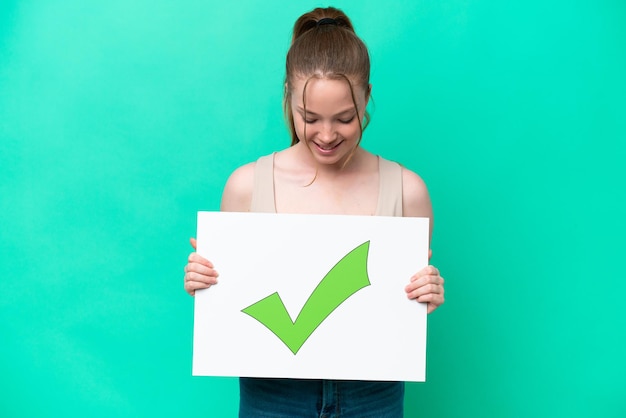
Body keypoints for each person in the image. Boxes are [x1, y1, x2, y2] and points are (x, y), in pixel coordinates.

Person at [183, 6, 445, 417]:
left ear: (367, 98)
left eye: (344, 118)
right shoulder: (246, 186)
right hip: (272, 396)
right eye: (310, 118)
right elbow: (230, 300)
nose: (326, 135)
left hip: (373, 396)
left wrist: (425, 292)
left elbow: (403, 307)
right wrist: (206, 282)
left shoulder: (408, 191)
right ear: (289, 97)